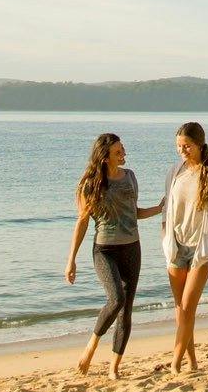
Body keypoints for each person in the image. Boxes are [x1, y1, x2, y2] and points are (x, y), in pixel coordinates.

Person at [65, 132, 154, 376]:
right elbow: (82, 222)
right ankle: (91, 347)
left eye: (123, 149)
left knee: (126, 310)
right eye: (118, 151)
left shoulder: (131, 177)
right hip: (104, 250)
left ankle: (114, 368)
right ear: (105, 157)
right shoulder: (90, 185)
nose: (123, 153)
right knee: (116, 299)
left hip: (132, 248)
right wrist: (71, 259)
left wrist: (159, 209)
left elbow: (133, 213)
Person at [160, 121, 208, 374]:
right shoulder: (174, 171)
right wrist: (165, 234)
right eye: (179, 146)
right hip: (176, 246)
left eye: (186, 146)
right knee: (180, 310)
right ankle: (192, 361)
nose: (182, 151)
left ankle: (175, 364)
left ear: (199, 145)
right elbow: (167, 207)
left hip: (201, 249)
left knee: (188, 307)